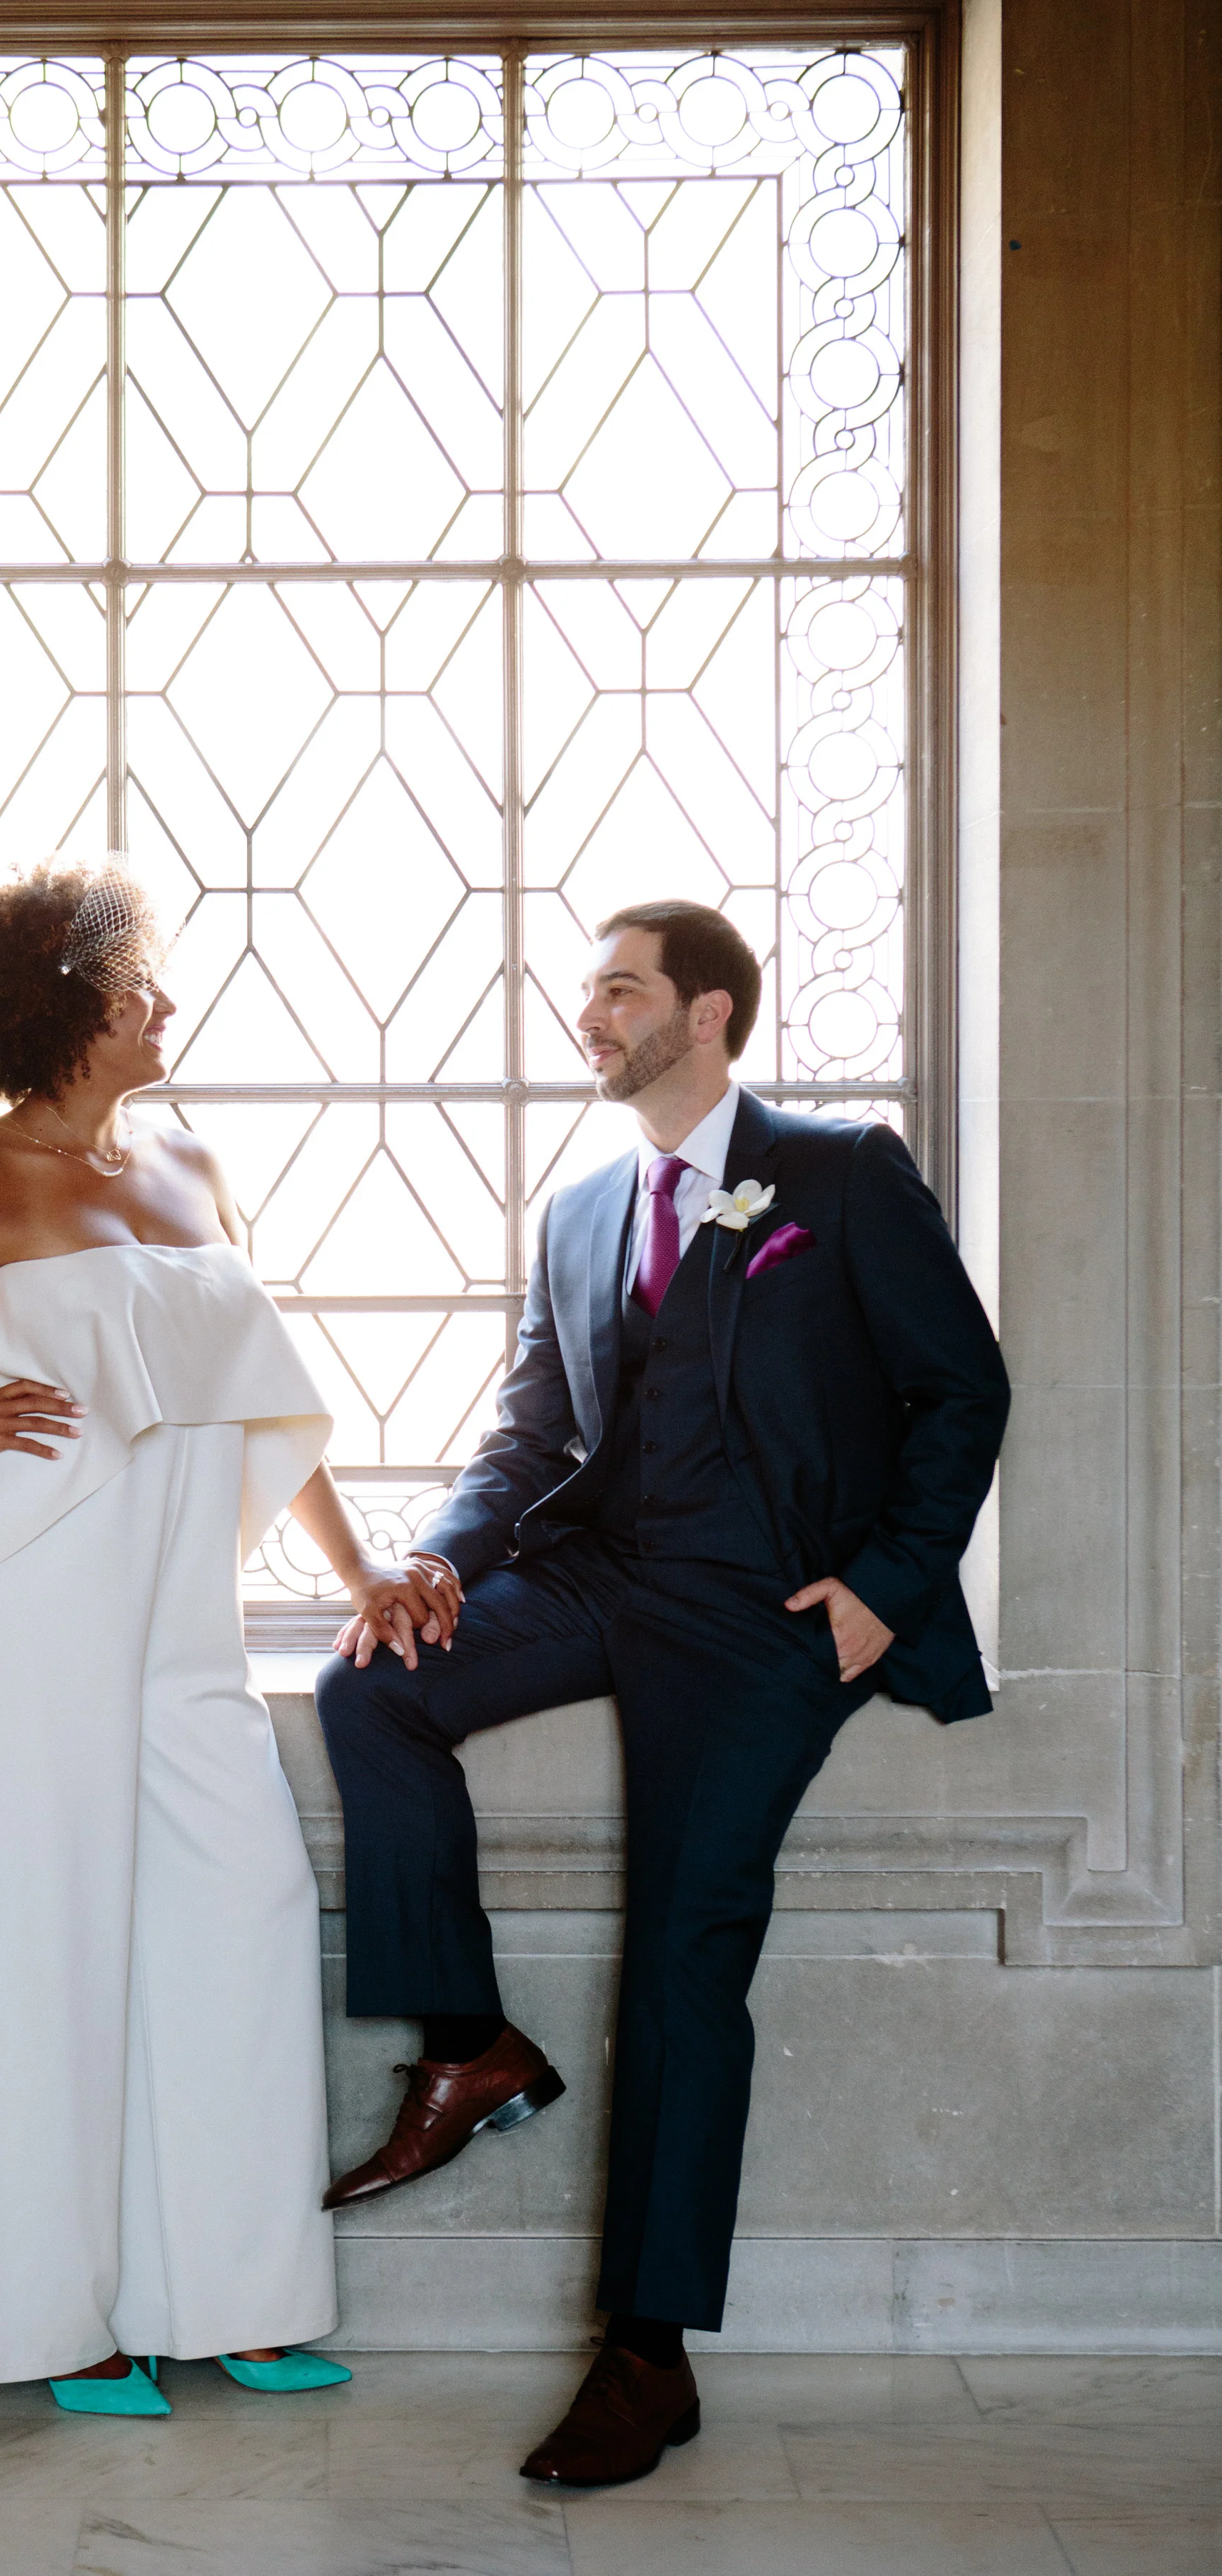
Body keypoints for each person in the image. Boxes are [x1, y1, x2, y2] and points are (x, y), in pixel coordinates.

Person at [0, 857, 453, 2410]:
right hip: (16, 1599)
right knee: (36, 1953)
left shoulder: (188, 1163)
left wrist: (353, 1574)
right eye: (141, 984)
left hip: (179, 1619)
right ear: (72, 1003)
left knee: (238, 1917)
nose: (165, 1004)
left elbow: (252, 1388)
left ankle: (237, 2297)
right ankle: (58, 2328)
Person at [315, 898, 1010, 2487]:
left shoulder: (836, 1173)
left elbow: (957, 1389)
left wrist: (885, 1588)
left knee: (680, 1947)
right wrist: (428, 1561)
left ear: (705, 1014)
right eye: (586, 992)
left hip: (762, 1610)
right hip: (593, 1573)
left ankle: (644, 2355)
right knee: (371, 1688)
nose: (589, 1013)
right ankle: (469, 2039)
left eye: (617, 989)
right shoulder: (572, 1216)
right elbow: (527, 1435)